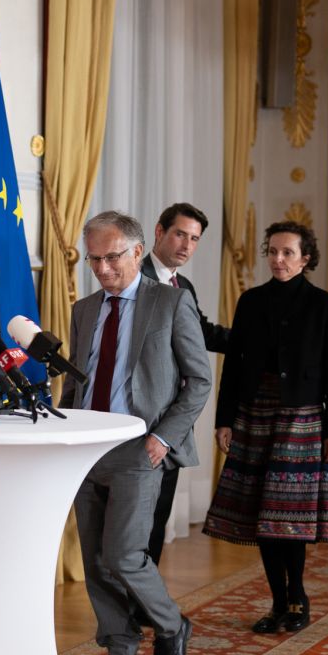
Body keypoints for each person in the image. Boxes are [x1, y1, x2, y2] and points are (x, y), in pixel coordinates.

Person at [60, 211, 211, 655]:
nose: (103, 269)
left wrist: (163, 437)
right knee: (95, 562)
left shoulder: (170, 303)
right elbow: (75, 383)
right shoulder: (84, 310)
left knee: (124, 555)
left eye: (112, 258)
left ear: (138, 252)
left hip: (138, 447)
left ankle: (171, 625)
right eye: (94, 260)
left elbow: (199, 380)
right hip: (84, 448)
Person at [203, 220, 328, 634]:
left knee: (289, 518)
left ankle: (298, 598)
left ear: (305, 258)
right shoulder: (250, 301)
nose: (278, 259)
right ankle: (277, 602)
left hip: (303, 420)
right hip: (254, 416)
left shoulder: (323, 305)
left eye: (288, 253)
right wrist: (225, 419)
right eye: (273, 251)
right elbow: (235, 365)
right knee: (262, 517)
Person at [139, 202, 230, 571]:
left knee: (158, 518)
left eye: (194, 239)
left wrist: (256, 340)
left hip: (173, 418)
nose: (187, 246)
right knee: (134, 524)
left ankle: (146, 599)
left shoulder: (184, 286)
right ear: (159, 232)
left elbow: (202, 334)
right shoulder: (133, 277)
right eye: (180, 234)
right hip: (138, 417)